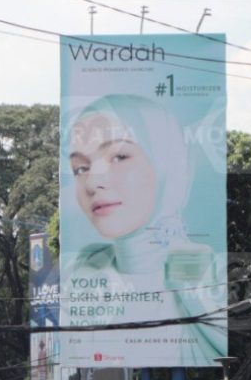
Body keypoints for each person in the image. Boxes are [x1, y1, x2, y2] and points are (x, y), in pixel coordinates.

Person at [62, 93, 227, 365]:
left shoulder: (204, 275)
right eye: (81, 168)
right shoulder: (80, 271)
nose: (92, 183)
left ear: (169, 164)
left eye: (118, 156)